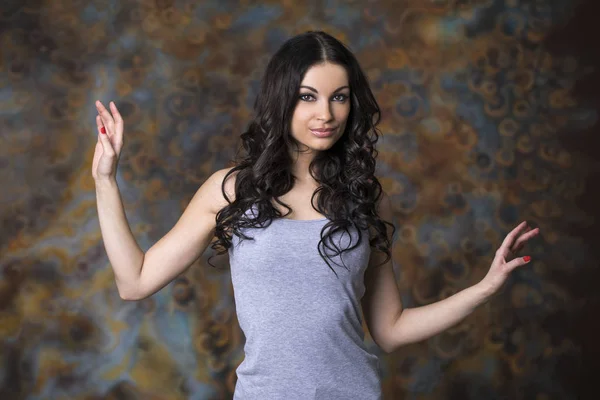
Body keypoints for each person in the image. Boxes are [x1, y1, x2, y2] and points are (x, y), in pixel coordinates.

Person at [93, 31, 539, 400]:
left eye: (339, 98)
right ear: (282, 99)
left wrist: (484, 288)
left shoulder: (365, 198)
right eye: (308, 97)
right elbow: (135, 282)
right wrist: (106, 180)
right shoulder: (230, 189)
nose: (325, 114)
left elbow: (391, 329)